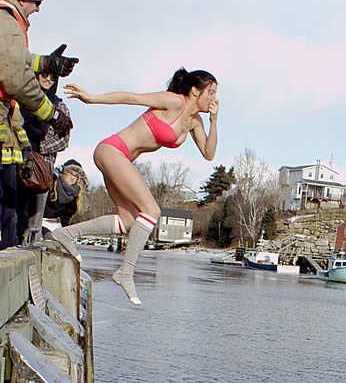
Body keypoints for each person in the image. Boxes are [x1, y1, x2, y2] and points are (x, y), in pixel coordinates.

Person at [55, 68, 219, 305]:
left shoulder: (195, 122)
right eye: (211, 92)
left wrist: (214, 121)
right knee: (152, 211)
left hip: (121, 159)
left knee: (128, 222)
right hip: (111, 150)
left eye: (216, 93)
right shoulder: (174, 102)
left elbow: (209, 154)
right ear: (195, 91)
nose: (214, 98)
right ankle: (125, 272)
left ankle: (66, 234)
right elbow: (131, 98)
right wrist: (91, 98)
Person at [0, 0, 77, 248]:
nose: (38, 9)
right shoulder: (7, 22)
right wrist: (52, 114)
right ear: (22, 0)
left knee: (11, 207)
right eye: (36, 3)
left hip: (9, 132)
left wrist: (46, 63)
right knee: (7, 207)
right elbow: (16, 77)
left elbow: (13, 58)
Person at [18, 69, 73, 242]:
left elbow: (64, 140)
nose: (48, 79)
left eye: (52, 77)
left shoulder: (60, 106)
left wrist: (40, 147)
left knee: (36, 214)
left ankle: (33, 242)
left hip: (43, 167)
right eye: (44, 75)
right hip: (20, 161)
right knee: (16, 207)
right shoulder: (24, 99)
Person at [42, 159, 88, 234]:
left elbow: (66, 219)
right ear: (64, 173)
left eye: (76, 176)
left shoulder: (75, 194)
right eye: (70, 173)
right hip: (41, 222)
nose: (72, 178)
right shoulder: (53, 184)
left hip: (56, 226)